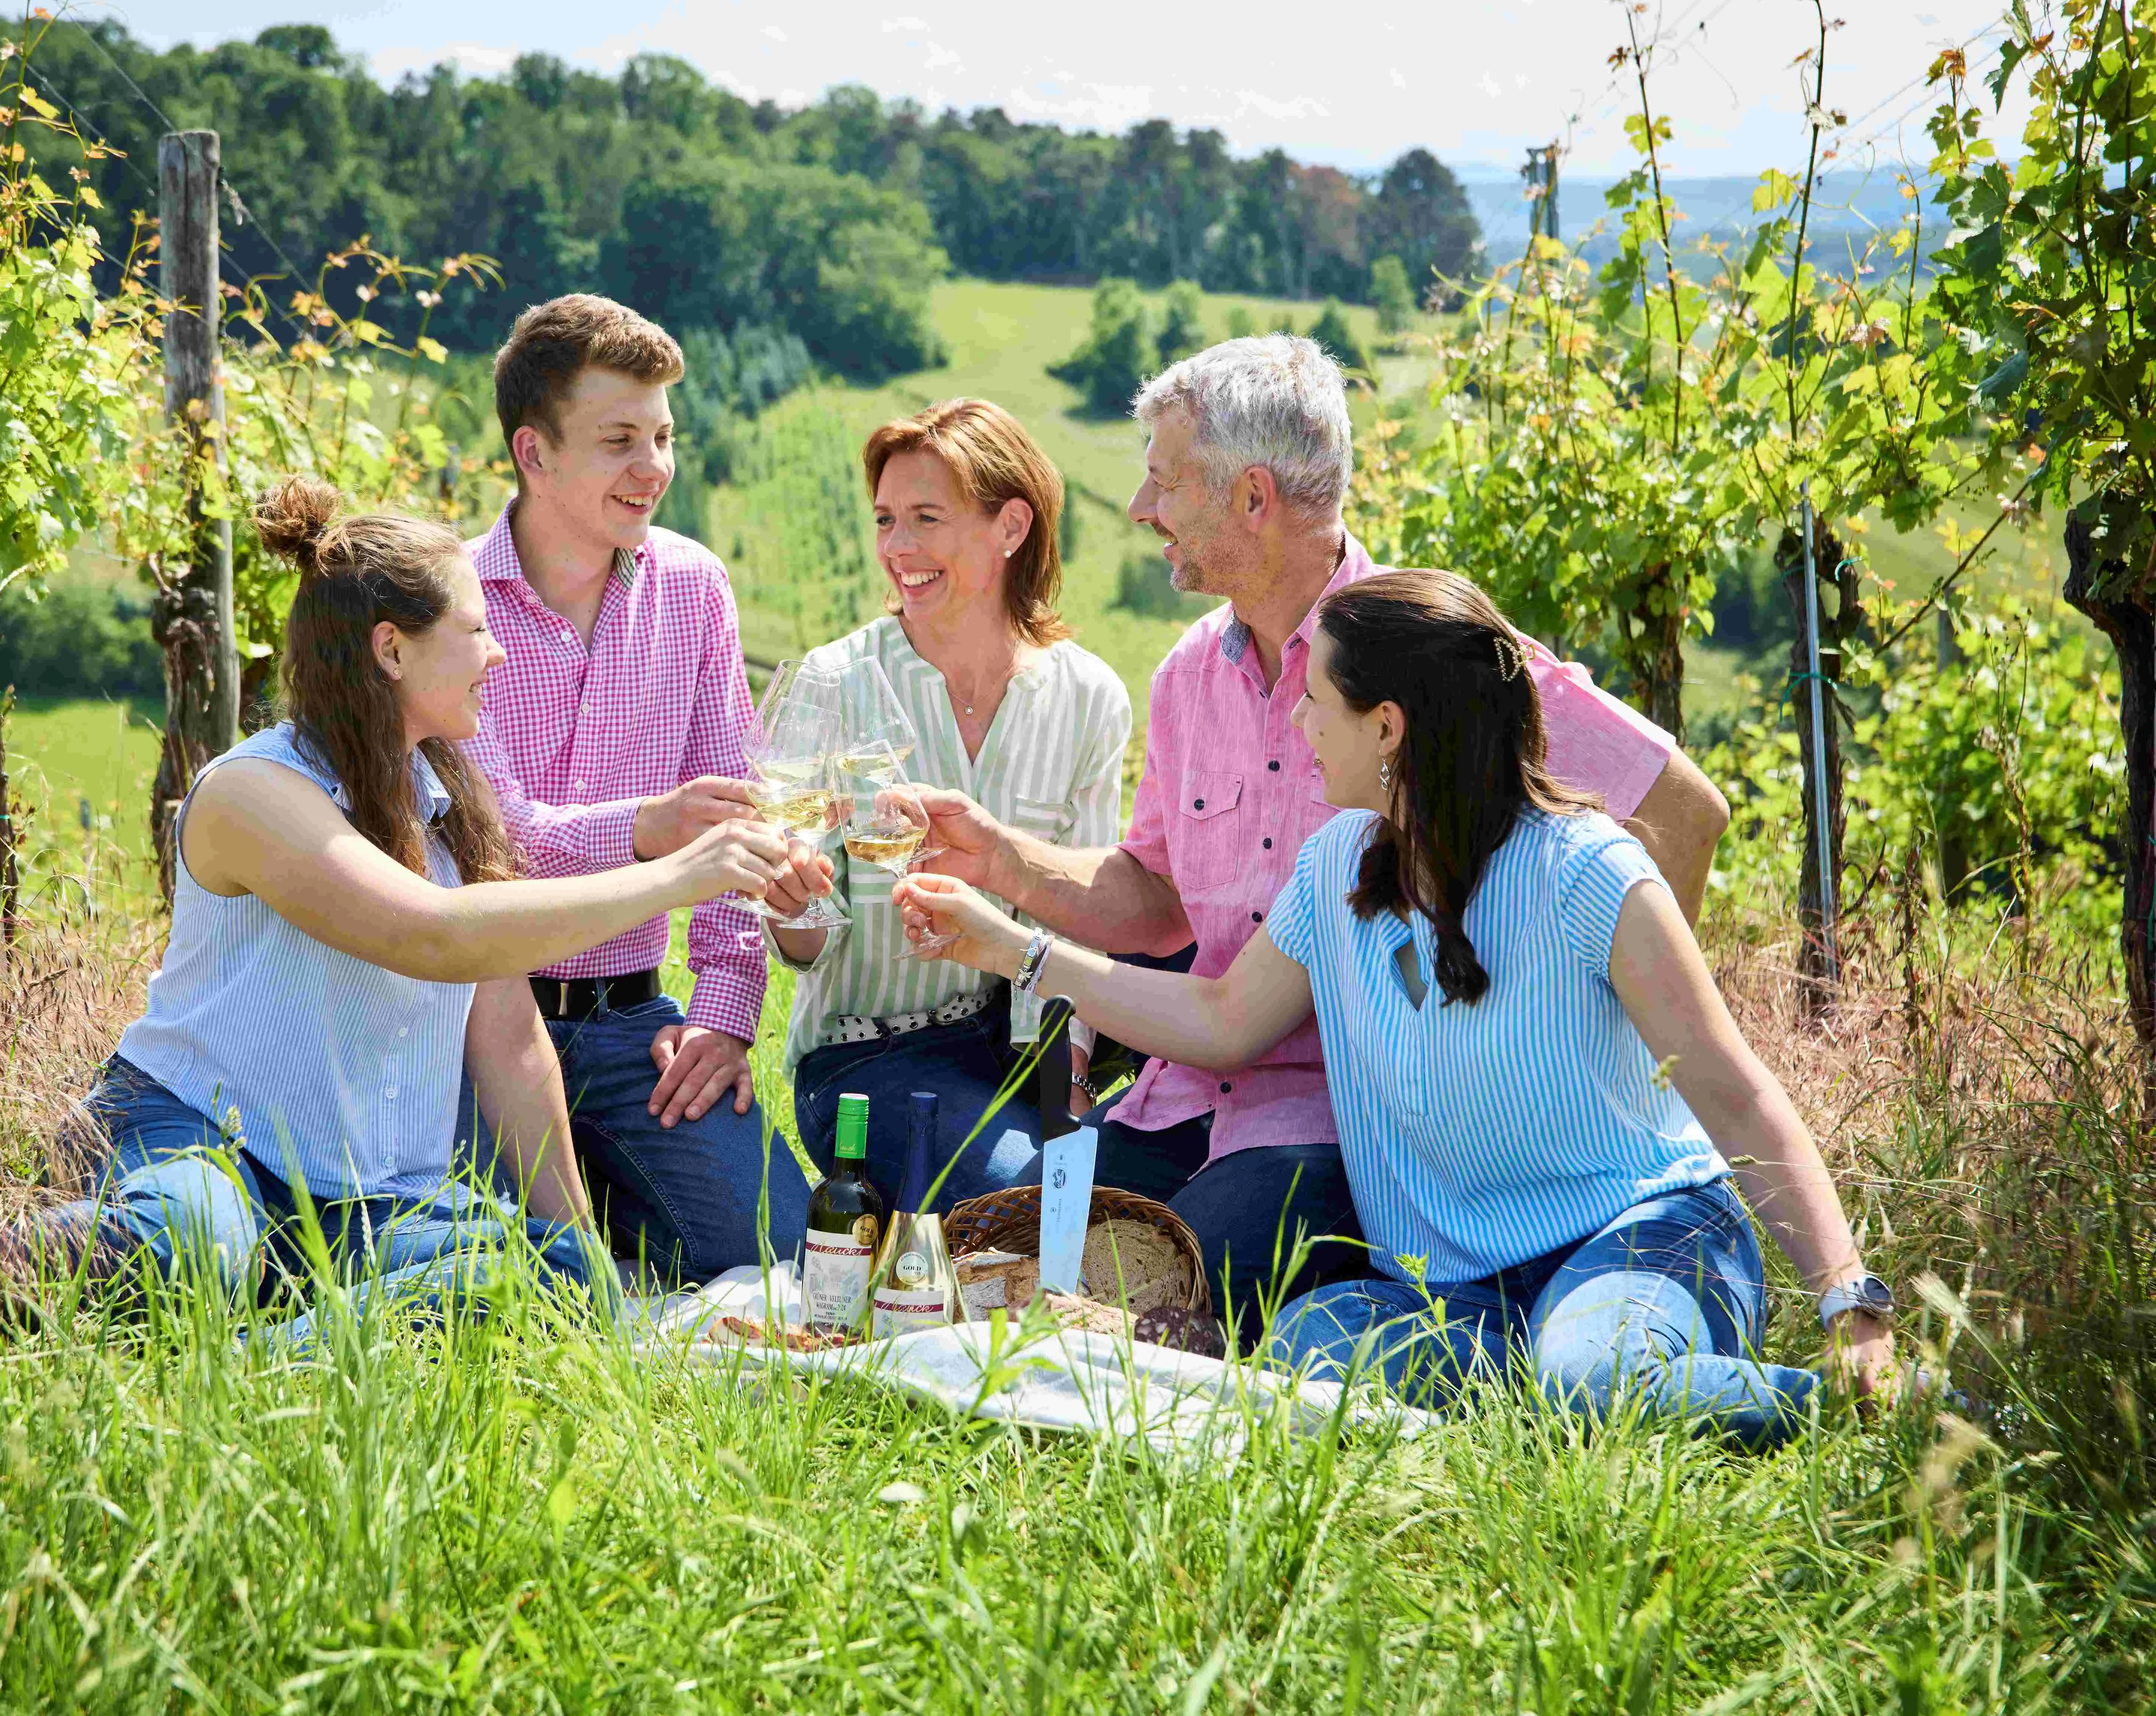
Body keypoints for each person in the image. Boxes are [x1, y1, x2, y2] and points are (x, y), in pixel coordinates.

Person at [894, 568, 1897, 1449]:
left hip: (1639, 1233)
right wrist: (1009, 946)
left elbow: (1736, 1094)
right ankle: (1545, 1394)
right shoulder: (1335, 868)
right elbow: (1219, 1018)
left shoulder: (1588, 870)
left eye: (1317, 700)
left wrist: (1849, 1298)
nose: (1295, 722)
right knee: (1301, 1350)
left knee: (1593, 1378)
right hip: (1460, 1292)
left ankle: (1857, 1407)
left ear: (1388, 727)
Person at [905, 334, 1731, 1344]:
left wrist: (1598, 1049)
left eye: (1164, 482)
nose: (1139, 509)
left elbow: (1684, 810)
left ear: (1251, 498)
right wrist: (1005, 862)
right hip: (1175, 1091)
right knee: (980, 1277)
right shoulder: (1185, 677)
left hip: (1333, 1131)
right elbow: (1157, 894)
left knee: (1151, 1314)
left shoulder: (1428, 656)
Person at [0, 478, 814, 1340]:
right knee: (196, 1239)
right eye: (477, 632)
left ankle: (262, 1350)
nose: (498, 655)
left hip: (365, 1198)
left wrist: (587, 1256)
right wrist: (674, 876)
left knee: (559, 1276)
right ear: (393, 651)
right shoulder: (254, 793)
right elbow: (426, 935)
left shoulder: (449, 806)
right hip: (212, 1141)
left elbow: (512, 1044)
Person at [462, 294, 816, 1281]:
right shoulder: (449, 599)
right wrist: (652, 830)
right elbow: (495, 840)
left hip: (630, 1028)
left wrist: (729, 1001)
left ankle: (617, 1188)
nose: (653, 467)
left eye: (662, 436)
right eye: (619, 439)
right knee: (474, 1270)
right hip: (471, 1023)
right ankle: (589, 1211)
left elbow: (734, 817)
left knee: (775, 1252)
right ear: (534, 454)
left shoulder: (694, 586)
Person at [769, 400, 1132, 1208]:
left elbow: (1078, 912)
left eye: (926, 519)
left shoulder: (1087, 697)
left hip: (1018, 1052)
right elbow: (804, 945)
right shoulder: (838, 683)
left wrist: (1064, 1087)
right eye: (886, 520)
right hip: (865, 1063)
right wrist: (795, 904)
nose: (898, 549)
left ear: (1010, 527)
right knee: (1030, 1203)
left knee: (1118, 1192)